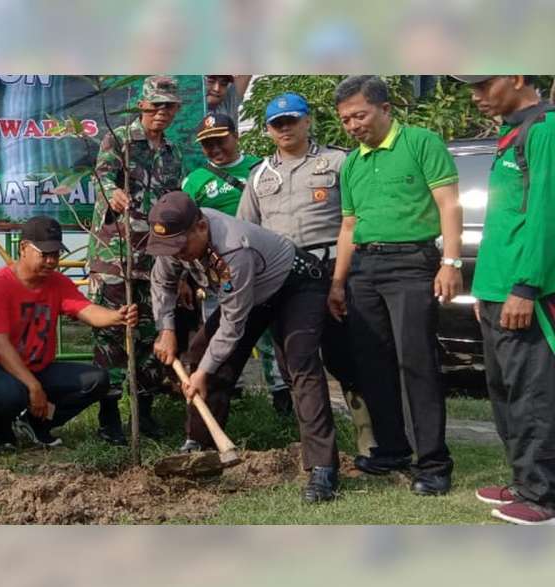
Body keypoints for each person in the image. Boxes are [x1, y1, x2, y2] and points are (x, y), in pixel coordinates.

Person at [149, 191, 339, 503]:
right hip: (250, 294)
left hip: (294, 286)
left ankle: (322, 467)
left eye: (181, 247)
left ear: (200, 227)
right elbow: (162, 283)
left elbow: (233, 325)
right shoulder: (175, 240)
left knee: (298, 364)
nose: (177, 254)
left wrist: (203, 374)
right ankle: (201, 447)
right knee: (200, 355)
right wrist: (166, 329)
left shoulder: (232, 249)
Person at [329, 75, 462, 495]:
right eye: (346, 119)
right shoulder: (352, 163)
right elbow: (348, 226)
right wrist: (338, 282)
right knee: (374, 362)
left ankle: (434, 463)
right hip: (364, 268)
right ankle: (391, 449)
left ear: (386, 109)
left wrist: (451, 262)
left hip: (411, 263)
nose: (353, 125)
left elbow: (448, 203)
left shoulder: (422, 143)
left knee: (416, 363)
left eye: (359, 115)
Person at [237, 91, 376, 457]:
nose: (285, 128)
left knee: (344, 354)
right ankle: (312, 441)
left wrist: (343, 279)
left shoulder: (338, 162)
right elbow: (245, 229)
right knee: (295, 361)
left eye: (291, 121)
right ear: (268, 130)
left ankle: (368, 438)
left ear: (307, 121)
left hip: (332, 270)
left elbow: (358, 217)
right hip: (283, 280)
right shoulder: (259, 175)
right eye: (277, 124)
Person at [457, 75, 555, 524]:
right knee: (502, 393)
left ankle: (543, 494)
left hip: (525, 293)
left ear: (516, 77)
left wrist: (525, 286)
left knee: (533, 394)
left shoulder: (545, 129)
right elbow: (503, 221)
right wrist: (485, 290)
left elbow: (545, 215)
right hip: (494, 290)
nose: (475, 95)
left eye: (483, 84)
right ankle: (523, 480)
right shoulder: (509, 131)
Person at [0, 216, 138, 448]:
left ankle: (35, 423)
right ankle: (1, 433)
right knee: (10, 394)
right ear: (24, 248)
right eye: (45, 254)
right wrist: (33, 386)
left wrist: (117, 317)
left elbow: (86, 310)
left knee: (97, 380)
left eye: (56, 254)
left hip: (40, 368)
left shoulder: (58, 282)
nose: (52, 261)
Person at [87, 75, 183, 440]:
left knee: (148, 337)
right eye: (155, 104)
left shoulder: (174, 154)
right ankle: (109, 417)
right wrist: (111, 191)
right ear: (141, 105)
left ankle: (144, 414)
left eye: (168, 106)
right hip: (116, 256)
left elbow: (175, 206)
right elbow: (101, 177)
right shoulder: (120, 138)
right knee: (111, 335)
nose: (161, 112)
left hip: (155, 260)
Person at [182, 112, 291, 415]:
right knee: (219, 332)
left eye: (220, 140)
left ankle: (282, 396)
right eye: (207, 144)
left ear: (235, 136)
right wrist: (185, 280)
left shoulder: (261, 169)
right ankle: (229, 395)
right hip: (218, 275)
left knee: (271, 338)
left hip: (265, 267)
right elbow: (183, 231)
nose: (215, 148)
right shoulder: (196, 180)